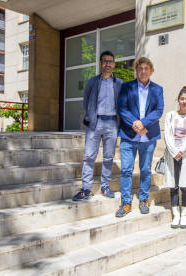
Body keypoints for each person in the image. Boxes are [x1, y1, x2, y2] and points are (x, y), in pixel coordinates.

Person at [115, 57, 164, 217]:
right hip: (128, 136)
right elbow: (122, 108)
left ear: (151, 71)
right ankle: (126, 202)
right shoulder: (127, 87)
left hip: (148, 137)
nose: (143, 71)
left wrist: (142, 124)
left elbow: (158, 111)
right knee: (126, 170)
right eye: (140, 68)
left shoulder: (158, 89)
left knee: (145, 170)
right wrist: (136, 125)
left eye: (146, 68)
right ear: (136, 71)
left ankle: (143, 200)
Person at [73, 50, 123, 201]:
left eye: (110, 62)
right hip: (95, 123)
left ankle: (105, 187)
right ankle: (86, 189)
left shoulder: (119, 83)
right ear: (100, 64)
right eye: (105, 61)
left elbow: (122, 103)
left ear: (113, 65)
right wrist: (90, 116)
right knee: (89, 156)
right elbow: (86, 101)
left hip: (112, 123)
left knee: (108, 157)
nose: (108, 64)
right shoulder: (92, 82)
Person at [164, 86, 186, 229]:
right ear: (178, 100)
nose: (184, 102)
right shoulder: (171, 115)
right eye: (182, 99)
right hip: (172, 154)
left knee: (185, 186)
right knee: (173, 186)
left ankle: (184, 215)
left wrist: (182, 151)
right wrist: (174, 151)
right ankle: (175, 214)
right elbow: (167, 134)